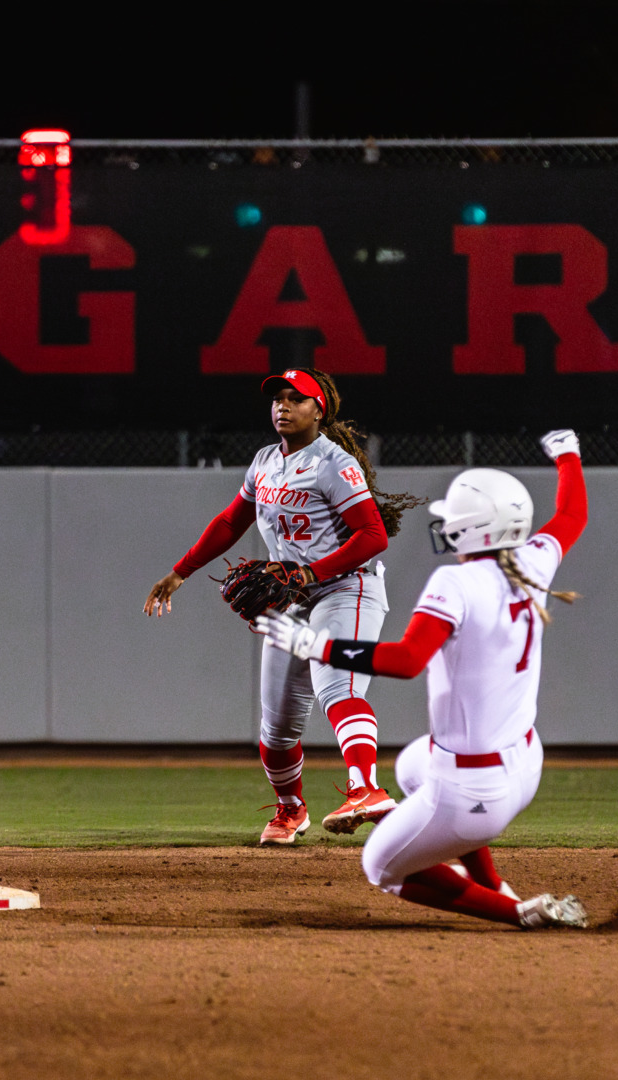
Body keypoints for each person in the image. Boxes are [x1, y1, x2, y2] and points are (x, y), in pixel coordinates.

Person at [256, 429, 590, 929]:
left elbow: (409, 660)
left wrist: (316, 646)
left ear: (473, 529)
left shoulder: (456, 581)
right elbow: (571, 515)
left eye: (453, 520)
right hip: (524, 763)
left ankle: (520, 912)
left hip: (474, 788)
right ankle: (494, 882)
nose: (447, 527)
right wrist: (567, 454)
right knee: (414, 765)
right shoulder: (533, 560)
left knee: (381, 867)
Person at [144, 367, 422, 845]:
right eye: (277, 398)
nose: (283, 406)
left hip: (346, 589)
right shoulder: (265, 461)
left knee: (338, 688)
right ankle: (291, 809)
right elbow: (231, 522)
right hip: (292, 597)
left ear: (320, 410)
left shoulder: (333, 464)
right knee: (276, 728)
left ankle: (367, 790)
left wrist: (310, 572)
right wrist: (181, 571)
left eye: (296, 398)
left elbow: (373, 536)